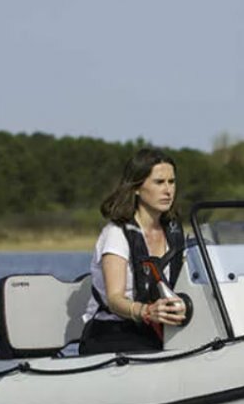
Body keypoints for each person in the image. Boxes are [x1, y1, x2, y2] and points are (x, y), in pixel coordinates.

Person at [78, 147, 187, 355]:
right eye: (159, 182)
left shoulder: (174, 232)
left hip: (158, 331)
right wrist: (146, 311)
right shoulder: (116, 234)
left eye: (171, 182)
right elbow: (115, 299)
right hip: (112, 332)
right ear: (136, 188)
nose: (168, 190)